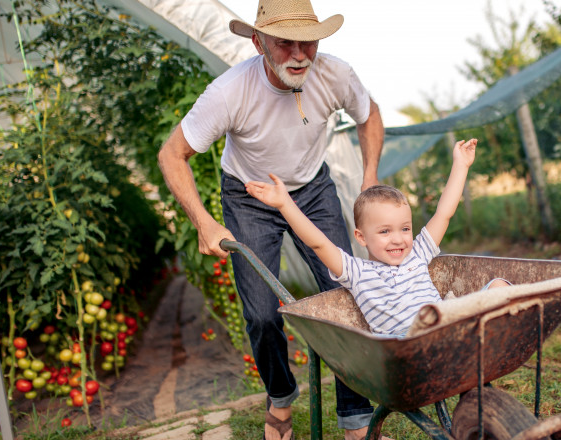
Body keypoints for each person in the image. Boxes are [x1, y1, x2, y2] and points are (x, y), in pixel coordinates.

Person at [157, 0, 386, 438]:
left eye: (308, 42)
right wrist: (204, 222)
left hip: (312, 191)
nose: (299, 55)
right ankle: (280, 397)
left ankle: (355, 418)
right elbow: (172, 154)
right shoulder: (230, 92)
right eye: (285, 44)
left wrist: (369, 176)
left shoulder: (336, 74)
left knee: (345, 294)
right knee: (263, 313)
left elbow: (369, 113)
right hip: (249, 197)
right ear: (259, 41)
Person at [246, 138, 511, 337]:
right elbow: (317, 242)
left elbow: (444, 213)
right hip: (408, 343)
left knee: (499, 285)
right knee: (431, 319)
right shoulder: (356, 271)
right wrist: (284, 204)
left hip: (446, 326)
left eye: (405, 229)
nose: (398, 239)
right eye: (384, 231)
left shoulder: (418, 253)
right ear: (361, 237)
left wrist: (461, 166)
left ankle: (494, 338)